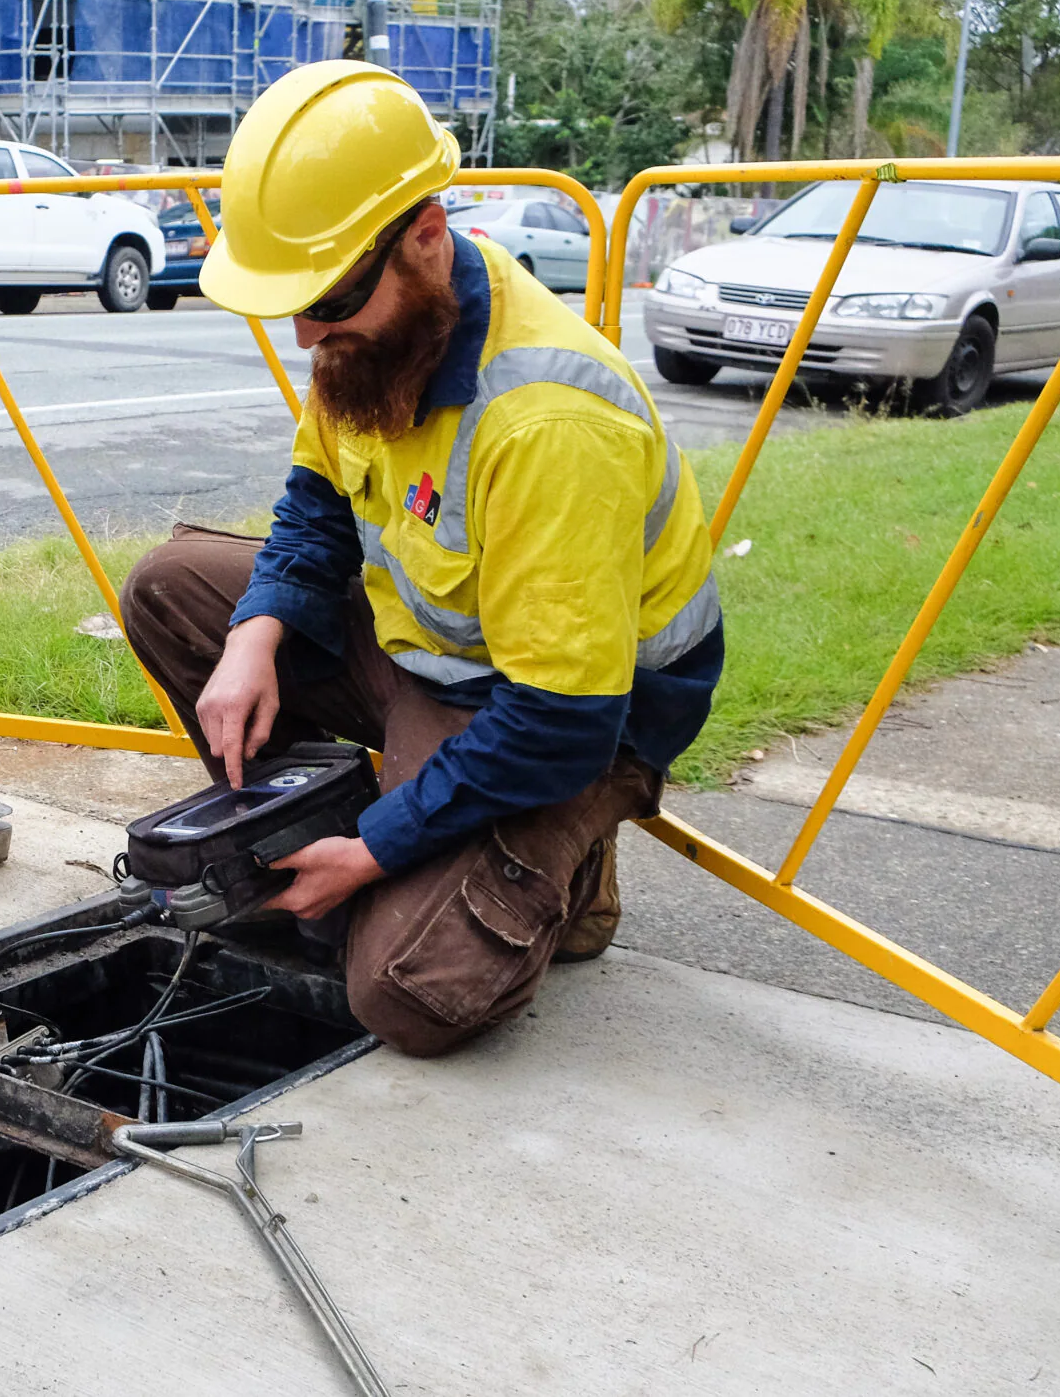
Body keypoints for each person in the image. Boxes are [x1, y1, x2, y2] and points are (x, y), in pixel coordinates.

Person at [119, 62, 723, 1056]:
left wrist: (375, 852)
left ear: (426, 238)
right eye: (294, 305)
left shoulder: (547, 422)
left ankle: (560, 859)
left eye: (328, 300)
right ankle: (307, 837)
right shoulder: (375, 338)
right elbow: (317, 497)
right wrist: (255, 633)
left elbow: (560, 720)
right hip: (422, 655)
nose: (309, 333)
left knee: (408, 996)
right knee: (172, 592)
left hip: (559, 721)